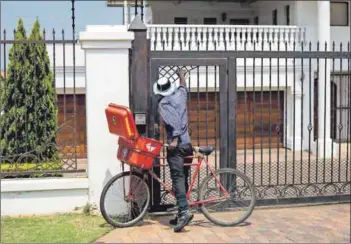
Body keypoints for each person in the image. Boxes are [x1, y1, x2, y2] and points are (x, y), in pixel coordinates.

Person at [153, 69, 194, 232]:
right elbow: (183, 87)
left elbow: (175, 121)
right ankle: (180, 212)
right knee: (183, 178)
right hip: (187, 145)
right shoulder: (180, 95)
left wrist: (174, 139)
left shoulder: (163, 103)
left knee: (177, 178)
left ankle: (184, 212)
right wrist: (181, 75)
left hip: (177, 146)